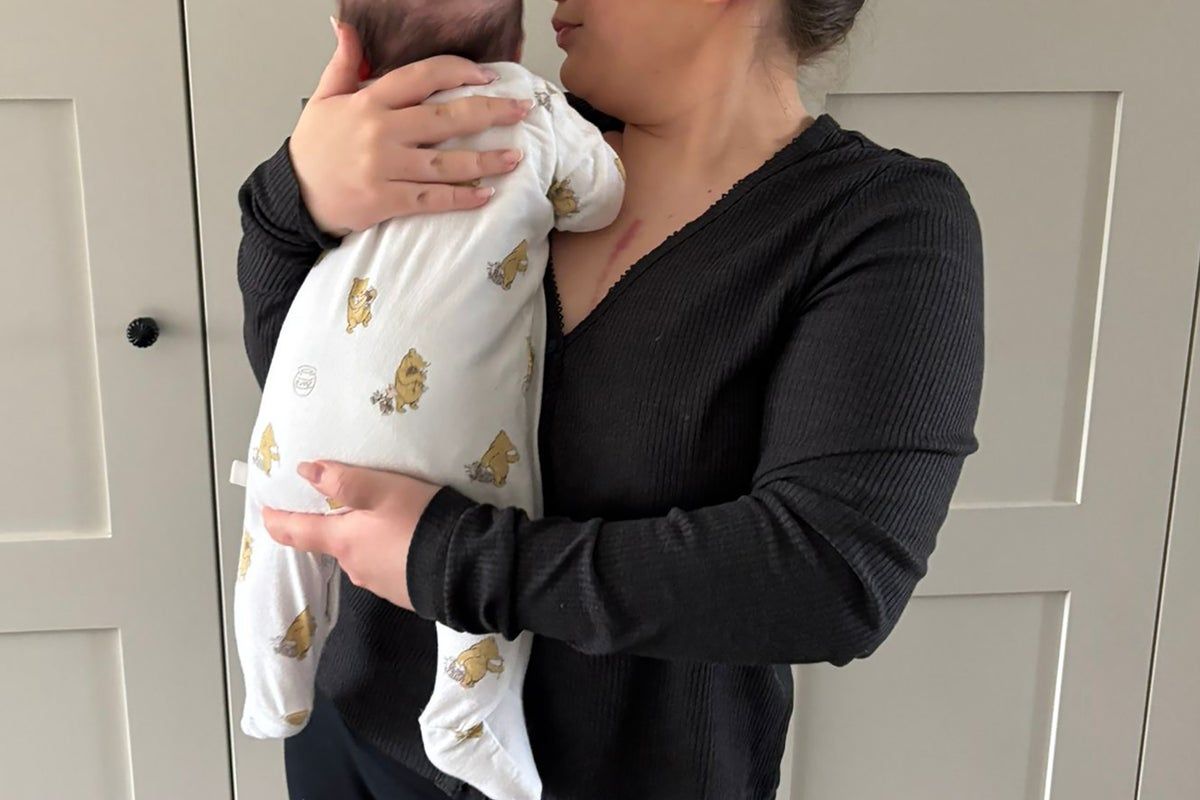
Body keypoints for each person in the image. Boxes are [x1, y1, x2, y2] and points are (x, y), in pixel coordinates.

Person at [236, 0, 985, 797]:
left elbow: (833, 576)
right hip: (354, 739)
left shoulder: (878, 220)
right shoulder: (500, 132)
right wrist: (295, 196)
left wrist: (449, 561)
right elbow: (320, 391)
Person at [232, 1, 623, 797]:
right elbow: (600, 198)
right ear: (514, 42)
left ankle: (272, 690)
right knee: (488, 526)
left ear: (351, 50)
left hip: (299, 425)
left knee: (274, 539)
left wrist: (307, 172)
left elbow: (276, 343)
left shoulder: (356, 134)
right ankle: (467, 715)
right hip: (440, 455)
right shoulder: (533, 108)